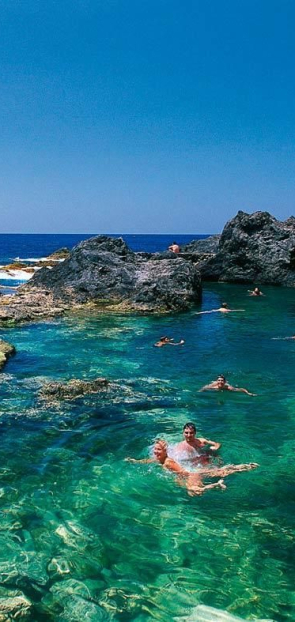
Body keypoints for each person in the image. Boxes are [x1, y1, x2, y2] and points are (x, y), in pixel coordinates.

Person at [126, 439, 258, 496]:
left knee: (195, 491)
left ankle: (220, 483)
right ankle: (243, 468)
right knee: (219, 471)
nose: (155, 452)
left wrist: (185, 482)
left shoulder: (168, 462)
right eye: (155, 449)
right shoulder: (158, 458)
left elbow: (183, 472)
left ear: (165, 451)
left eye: (158, 450)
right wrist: (135, 461)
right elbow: (148, 460)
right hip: (190, 471)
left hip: (191, 473)